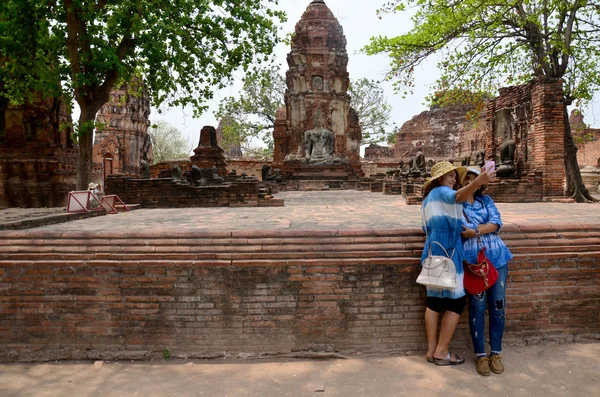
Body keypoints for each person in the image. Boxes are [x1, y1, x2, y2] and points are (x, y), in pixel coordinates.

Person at [421, 161, 494, 366]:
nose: (454, 179)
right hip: (450, 252)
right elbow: (458, 196)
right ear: (439, 179)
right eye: (450, 175)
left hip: (433, 252)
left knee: (434, 302)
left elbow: (425, 226)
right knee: (456, 301)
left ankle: (430, 350)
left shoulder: (428, 199)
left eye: (455, 175)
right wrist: (478, 181)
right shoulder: (443, 192)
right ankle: (442, 351)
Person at [460, 166, 513, 376]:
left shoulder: (486, 201)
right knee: (477, 306)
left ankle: (496, 352)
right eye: (467, 179)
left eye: (475, 179)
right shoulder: (457, 204)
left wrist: (476, 230)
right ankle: (481, 354)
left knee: (498, 306)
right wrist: (480, 229)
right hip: (474, 263)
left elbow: (497, 223)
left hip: (497, 258)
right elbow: (463, 231)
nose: (471, 183)